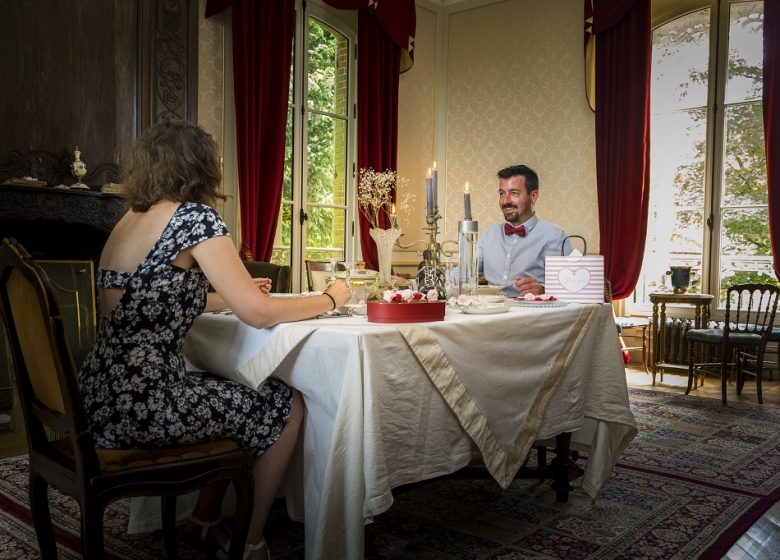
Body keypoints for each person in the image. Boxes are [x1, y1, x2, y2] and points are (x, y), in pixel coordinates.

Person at [78, 120, 352, 560]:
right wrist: (328, 298)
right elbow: (259, 315)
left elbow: (144, 301)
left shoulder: (129, 219)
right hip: (146, 407)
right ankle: (251, 542)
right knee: (284, 406)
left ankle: (204, 520)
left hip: (100, 397)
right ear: (200, 167)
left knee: (228, 391)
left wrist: (222, 299)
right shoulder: (193, 218)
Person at [478, 164, 571, 297]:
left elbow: (569, 286)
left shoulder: (554, 236)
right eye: (502, 193)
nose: (505, 201)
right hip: (490, 313)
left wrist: (543, 290)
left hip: (533, 314)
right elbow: (464, 273)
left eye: (514, 193)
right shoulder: (489, 235)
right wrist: (439, 281)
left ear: (533, 196)